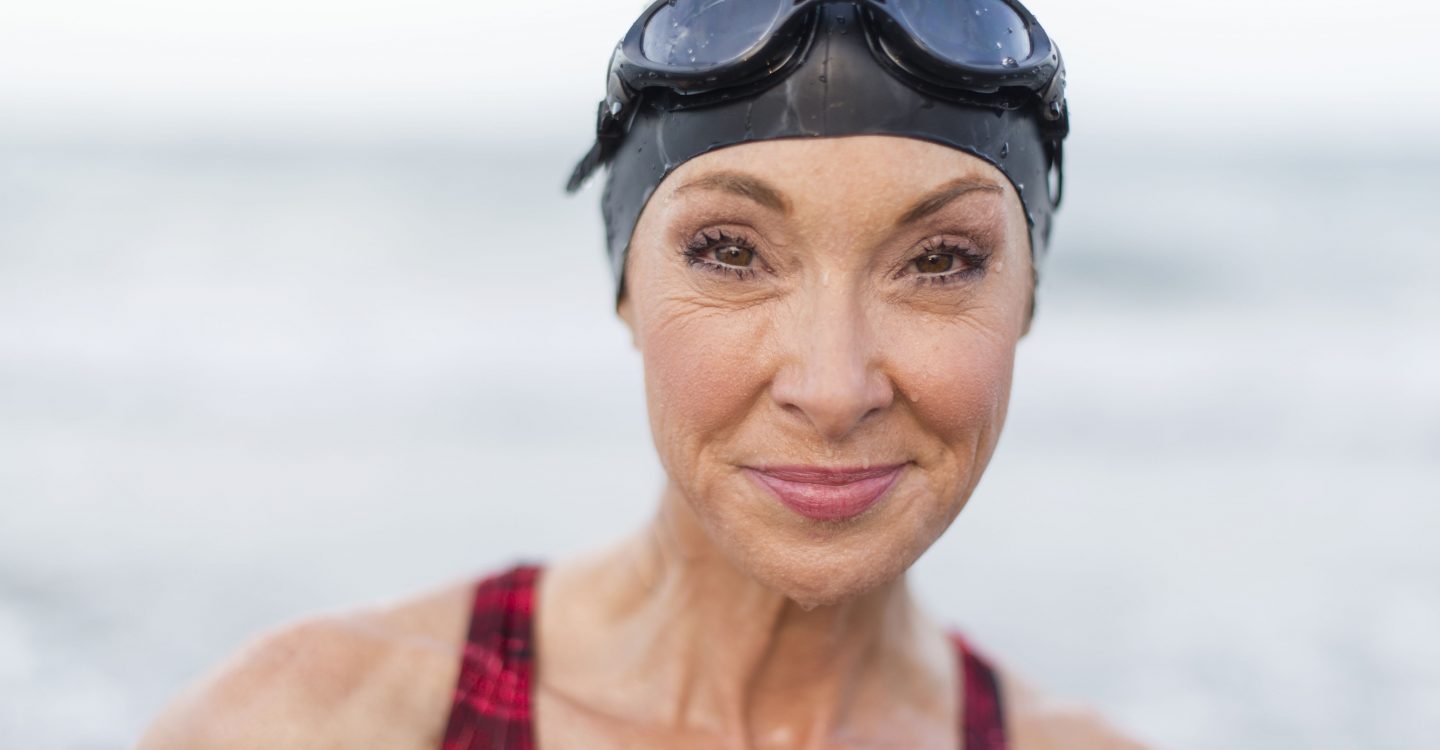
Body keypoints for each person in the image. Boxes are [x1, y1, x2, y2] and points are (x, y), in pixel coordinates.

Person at [141, 1, 1147, 747]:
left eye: (940, 261)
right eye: (731, 251)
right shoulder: (312, 721)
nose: (834, 389)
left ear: (1025, 298)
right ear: (627, 286)